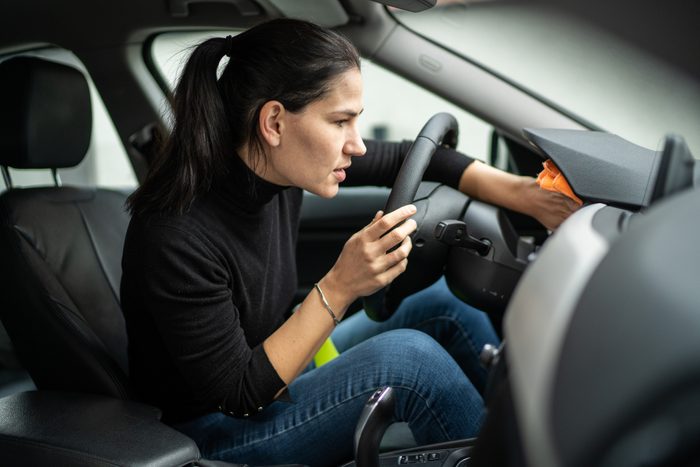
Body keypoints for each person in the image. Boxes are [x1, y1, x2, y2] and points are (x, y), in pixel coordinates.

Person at [120, 19, 577, 467]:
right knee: (409, 361)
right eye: (341, 122)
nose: (356, 146)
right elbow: (239, 393)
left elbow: (408, 157)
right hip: (213, 433)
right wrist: (342, 283)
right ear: (274, 122)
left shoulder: (279, 162)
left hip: (284, 371)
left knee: (445, 303)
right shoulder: (174, 234)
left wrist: (524, 195)